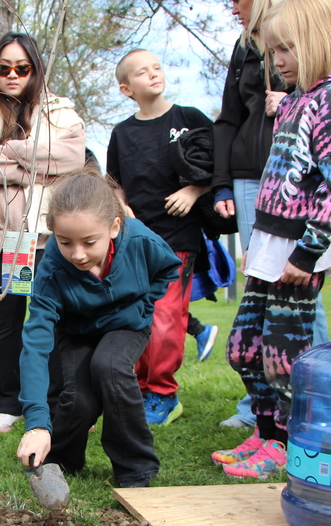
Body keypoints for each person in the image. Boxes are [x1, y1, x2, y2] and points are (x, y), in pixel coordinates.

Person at [212, 0, 331, 478]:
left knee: (283, 357)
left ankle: (284, 442)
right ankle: (264, 432)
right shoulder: (297, 98)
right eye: (273, 50)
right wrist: (258, 247)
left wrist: (307, 253)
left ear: (320, 43)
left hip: (300, 250)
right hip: (270, 244)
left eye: (287, 49)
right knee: (243, 347)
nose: (277, 60)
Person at [0, 32, 85, 434]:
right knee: (6, 316)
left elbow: (72, 157)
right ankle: (6, 403)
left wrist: (10, 150)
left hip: (45, 233)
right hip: (0, 237)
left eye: (22, 68)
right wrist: (34, 163)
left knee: (47, 316)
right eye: (3, 68)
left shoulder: (60, 110)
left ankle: (50, 399)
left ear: (35, 69)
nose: (13, 75)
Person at [16, 172, 180, 487]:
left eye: (89, 242)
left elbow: (168, 267)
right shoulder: (51, 269)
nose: (78, 254)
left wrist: (143, 306)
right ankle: (59, 460)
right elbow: (36, 343)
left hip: (126, 325)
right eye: (65, 242)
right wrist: (36, 425)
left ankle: (135, 468)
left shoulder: (141, 240)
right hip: (77, 330)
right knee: (79, 399)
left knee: (110, 366)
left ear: (114, 227)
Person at [107, 49, 214, 425]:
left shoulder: (189, 118)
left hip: (178, 238)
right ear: (125, 88)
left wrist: (194, 191)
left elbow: (218, 166)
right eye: (141, 72)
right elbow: (114, 184)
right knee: (138, 315)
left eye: (156, 67)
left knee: (167, 316)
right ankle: (138, 389)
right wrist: (123, 209)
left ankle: (164, 395)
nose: (153, 74)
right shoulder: (121, 133)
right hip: (136, 240)